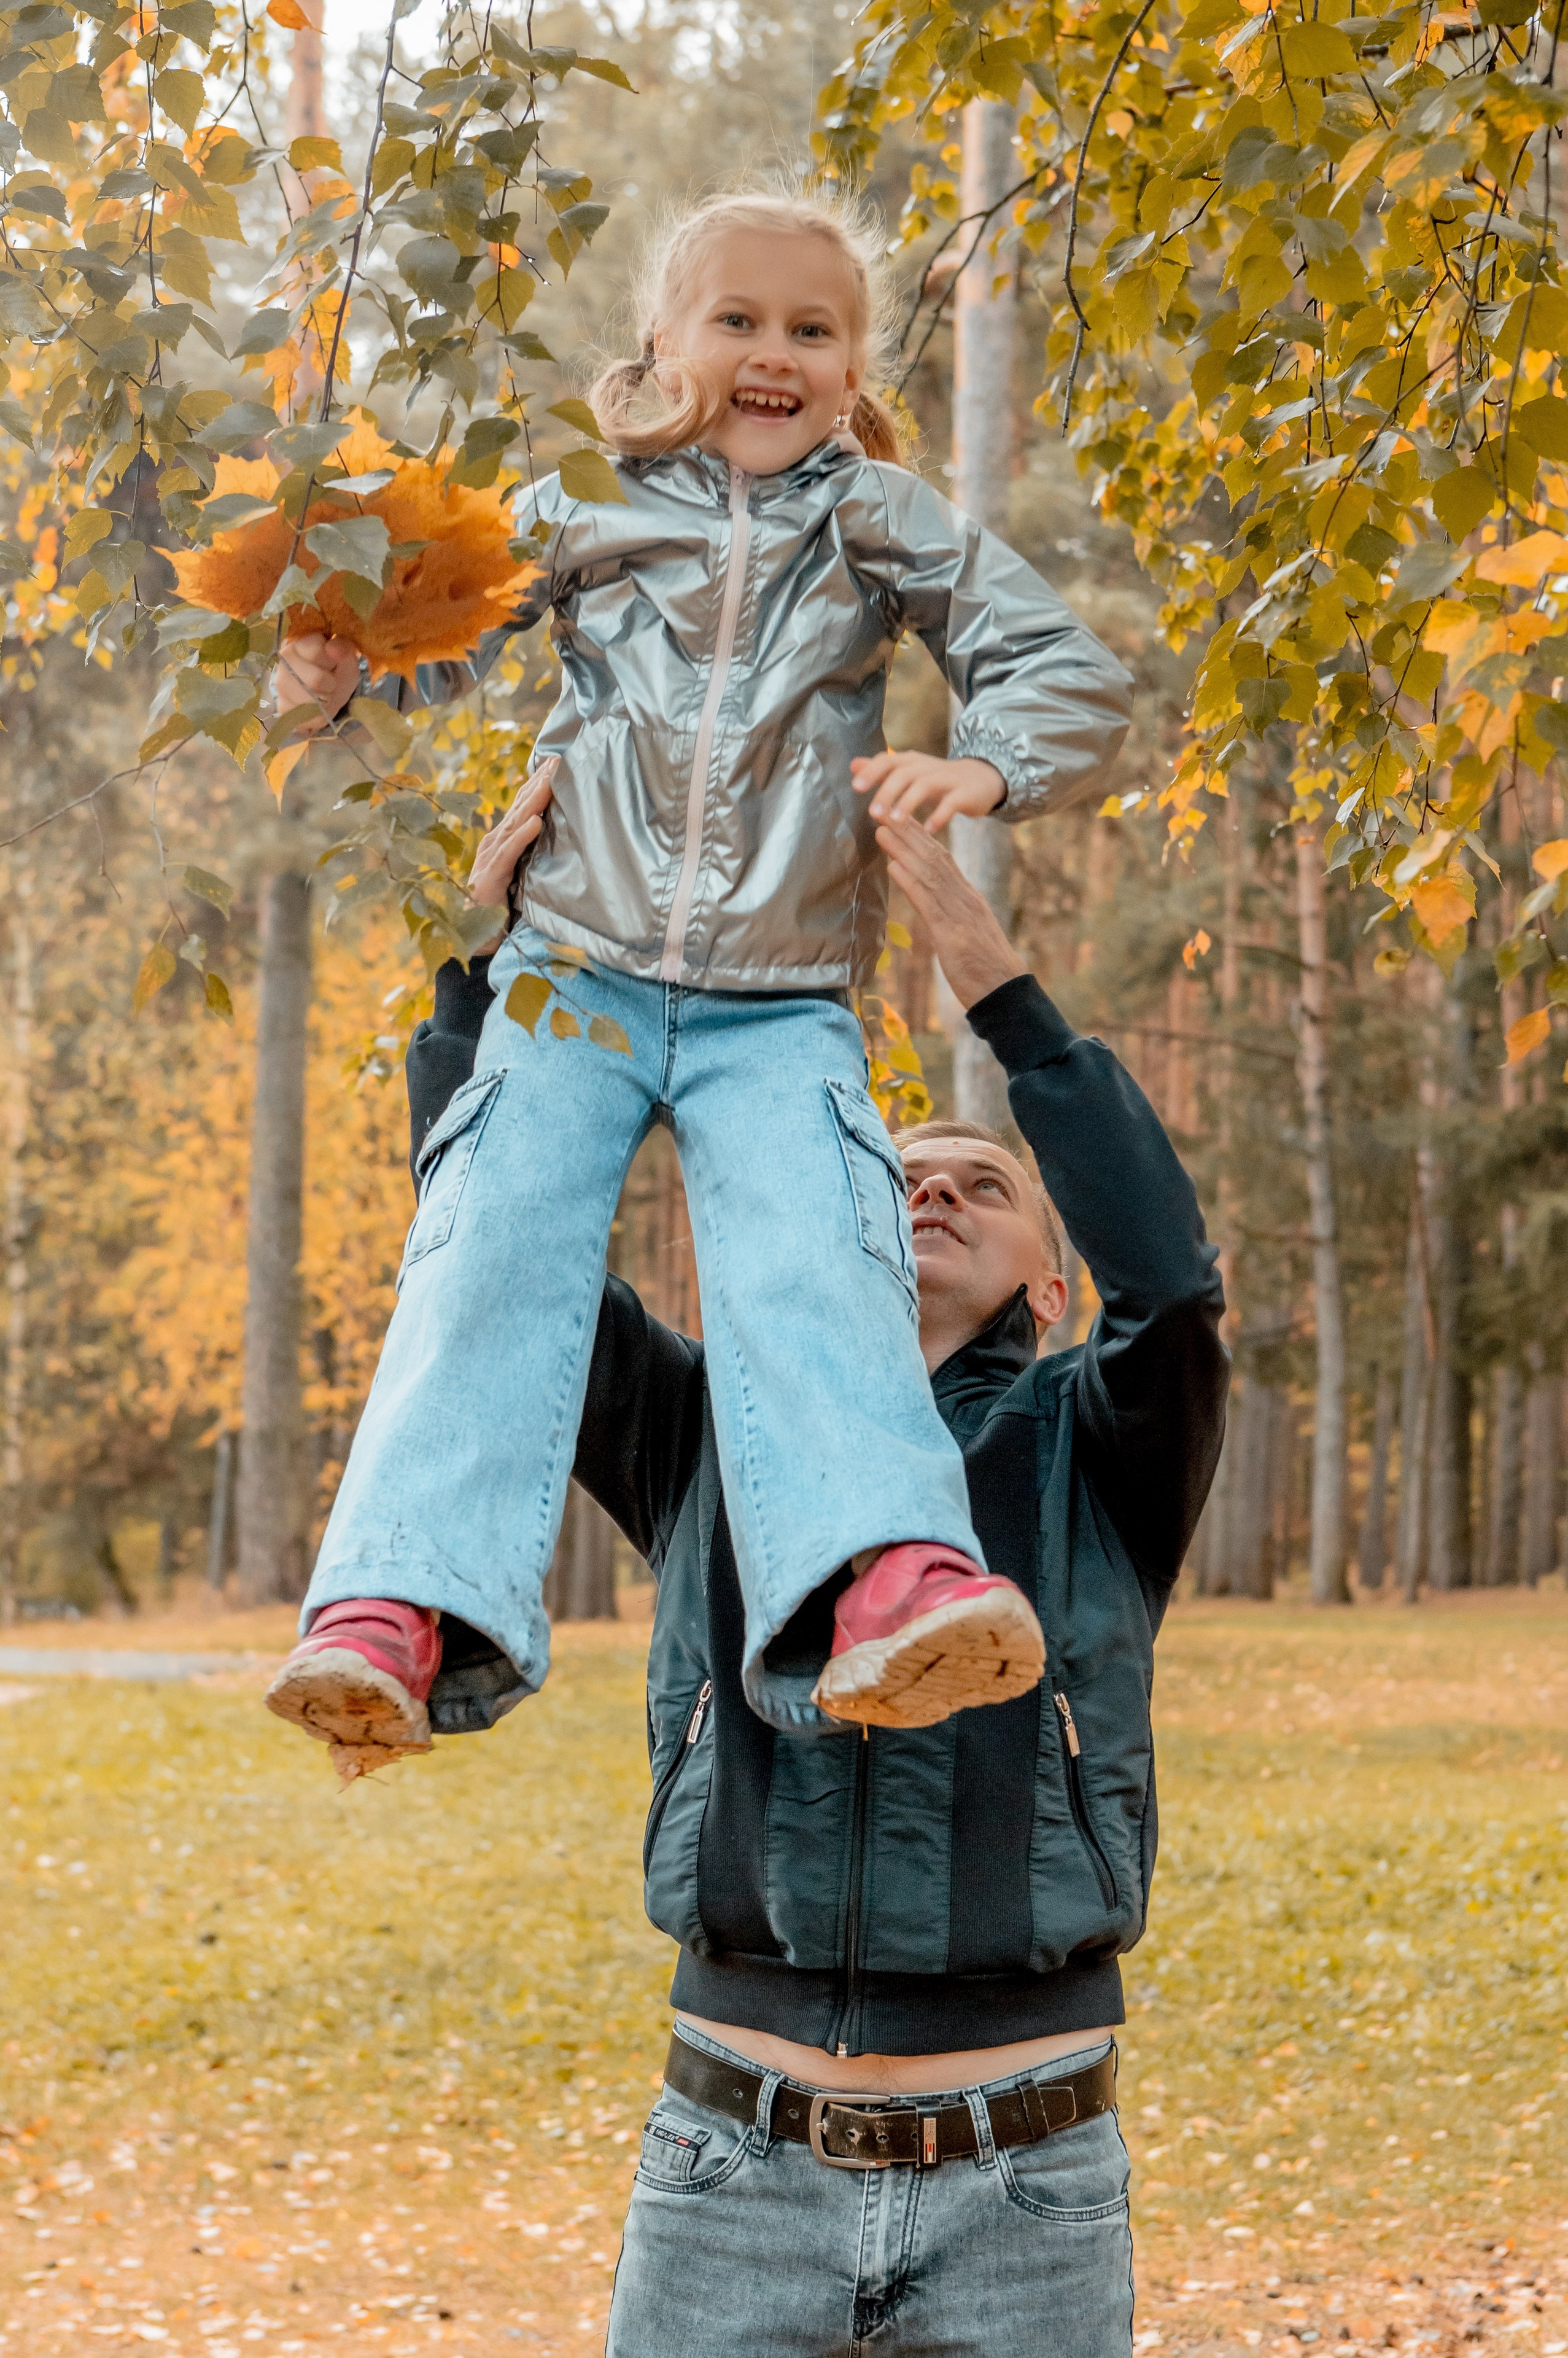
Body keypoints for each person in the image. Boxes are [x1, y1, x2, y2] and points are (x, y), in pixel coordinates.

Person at [262, 183, 1133, 1773]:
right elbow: (409, 632)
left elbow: (1059, 662)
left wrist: (988, 773)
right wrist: (325, 671)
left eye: (814, 329)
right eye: (738, 319)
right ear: (663, 342)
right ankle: (398, 1604)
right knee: (494, 1241)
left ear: (855, 362)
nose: (774, 353)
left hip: (783, 995)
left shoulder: (877, 516)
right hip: (568, 975)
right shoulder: (578, 502)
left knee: (823, 1254)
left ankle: (890, 1578)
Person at [402, 813, 1228, 2357]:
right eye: (898, 1178)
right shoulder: (704, 1432)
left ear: (1050, 1289)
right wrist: (486, 987)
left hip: (1027, 2188)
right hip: (728, 2176)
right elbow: (499, 1264)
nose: (928, 1193)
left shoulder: (1096, 1448)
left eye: (977, 1184)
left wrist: (1000, 995)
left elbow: (1172, 1287)